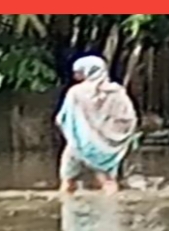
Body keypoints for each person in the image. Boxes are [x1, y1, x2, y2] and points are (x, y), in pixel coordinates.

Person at [56, 56, 139, 195]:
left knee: (68, 181)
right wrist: (113, 137)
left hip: (80, 144)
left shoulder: (76, 92)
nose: (76, 74)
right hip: (107, 148)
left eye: (79, 71)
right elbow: (129, 118)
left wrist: (77, 134)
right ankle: (112, 212)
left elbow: (62, 118)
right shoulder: (117, 91)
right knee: (108, 182)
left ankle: (68, 211)